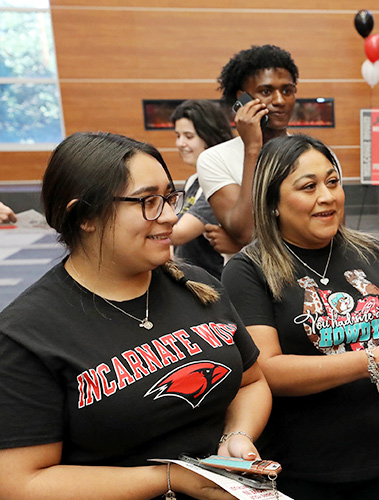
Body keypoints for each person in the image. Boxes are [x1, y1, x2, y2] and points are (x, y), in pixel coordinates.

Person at [0, 132, 272, 500]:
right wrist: (171, 477)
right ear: (84, 216)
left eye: (169, 198)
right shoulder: (27, 332)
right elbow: (21, 482)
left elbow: (251, 382)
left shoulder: (196, 284)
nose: (172, 216)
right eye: (148, 201)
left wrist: (236, 436)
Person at [222, 134, 379, 499]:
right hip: (299, 468)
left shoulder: (371, 252)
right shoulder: (249, 270)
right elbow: (267, 371)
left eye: (333, 182)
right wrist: (368, 361)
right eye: (308, 187)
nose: (327, 196)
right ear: (273, 201)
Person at [197, 44, 299, 246]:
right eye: (266, 91)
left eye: (287, 90)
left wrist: (238, 247)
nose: (279, 100)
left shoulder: (312, 155)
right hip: (251, 277)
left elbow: (330, 233)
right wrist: (253, 149)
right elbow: (246, 232)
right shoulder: (214, 159)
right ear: (241, 98)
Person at [169, 99, 240, 279]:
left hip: (215, 283)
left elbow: (177, 234)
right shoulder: (193, 181)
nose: (180, 143)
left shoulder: (220, 183)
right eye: (178, 135)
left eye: (189, 136)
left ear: (209, 136)